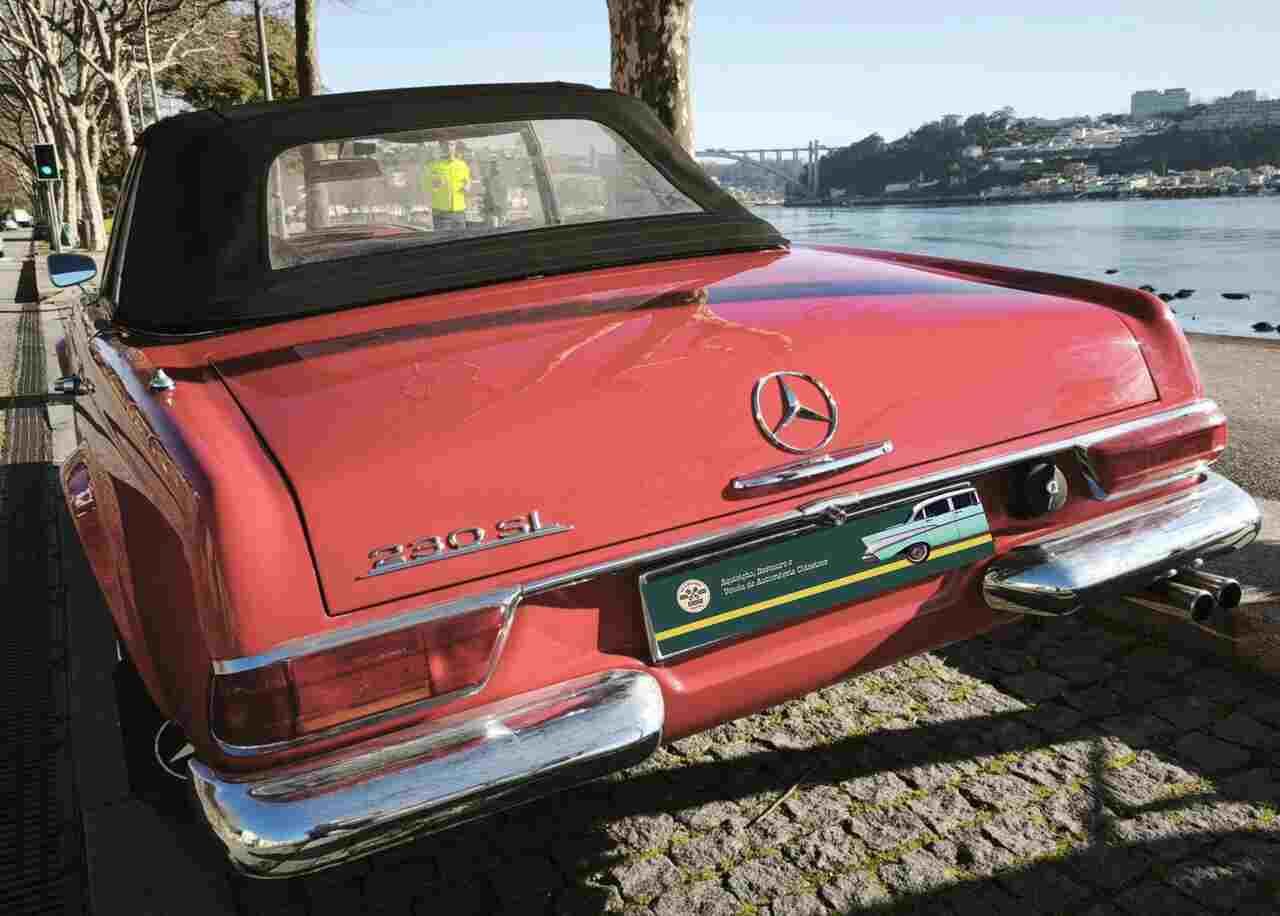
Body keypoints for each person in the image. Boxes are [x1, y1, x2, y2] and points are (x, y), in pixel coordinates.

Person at [424, 140, 471, 231]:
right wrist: (434, 186)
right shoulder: (432, 166)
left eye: (451, 144)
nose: (449, 147)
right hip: (441, 212)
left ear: (455, 146)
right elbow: (425, 186)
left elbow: (467, 181)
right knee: (444, 239)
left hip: (460, 211)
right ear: (441, 147)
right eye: (445, 145)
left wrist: (467, 186)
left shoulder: (462, 165)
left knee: (462, 238)